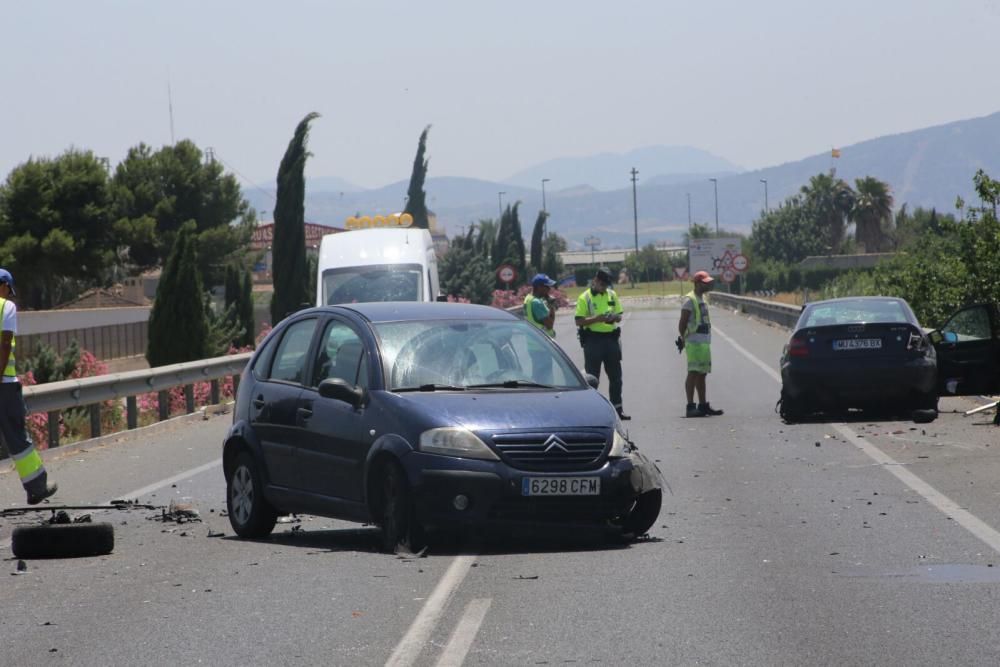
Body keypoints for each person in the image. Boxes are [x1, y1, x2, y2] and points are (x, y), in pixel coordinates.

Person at [0, 269, 58, 504]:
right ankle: (36, 487)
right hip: (3, 386)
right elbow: (4, 345)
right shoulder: (6, 307)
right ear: (3, 286)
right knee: (16, 437)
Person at [575, 267, 630, 420]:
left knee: (616, 377)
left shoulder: (611, 294)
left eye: (606, 285)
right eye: (602, 284)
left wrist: (614, 317)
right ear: (595, 280)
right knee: (592, 378)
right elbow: (578, 320)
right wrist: (597, 319)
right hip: (593, 341)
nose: (604, 287)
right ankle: (592, 412)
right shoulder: (584, 297)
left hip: (611, 339)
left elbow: (619, 315)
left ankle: (617, 410)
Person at [677, 270, 723, 418]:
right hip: (694, 343)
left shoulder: (702, 299)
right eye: (705, 283)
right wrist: (684, 338)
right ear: (697, 284)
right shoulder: (690, 300)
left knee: (702, 374)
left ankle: (703, 406)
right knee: (693, 372)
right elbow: (682, 323)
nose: (709, 284)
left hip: (703, 343)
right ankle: (690, 407)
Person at [524, 273, 557, 338]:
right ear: (539, 287)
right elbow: (550, 325)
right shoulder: (537, 303)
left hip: (533, 340)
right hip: (542, 342)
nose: (549, 289)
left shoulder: (528, 298)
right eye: (547, 286)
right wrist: (551, 306)